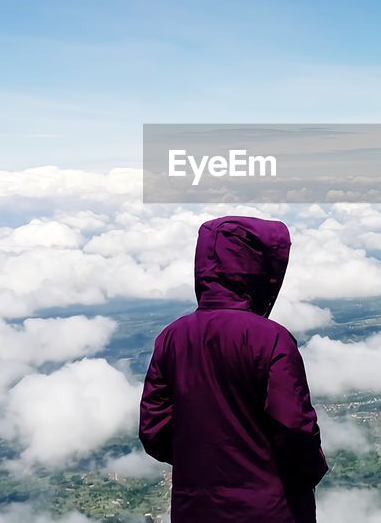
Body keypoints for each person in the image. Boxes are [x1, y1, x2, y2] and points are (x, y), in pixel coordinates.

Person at [139, 216, 328, 522]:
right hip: (272, 509)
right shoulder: (271, 338)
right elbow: (293, 427)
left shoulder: (171, 338)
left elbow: (154, 430)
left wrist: (201, 465)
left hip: (195, 508)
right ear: (260, 269)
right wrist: (311, 469)